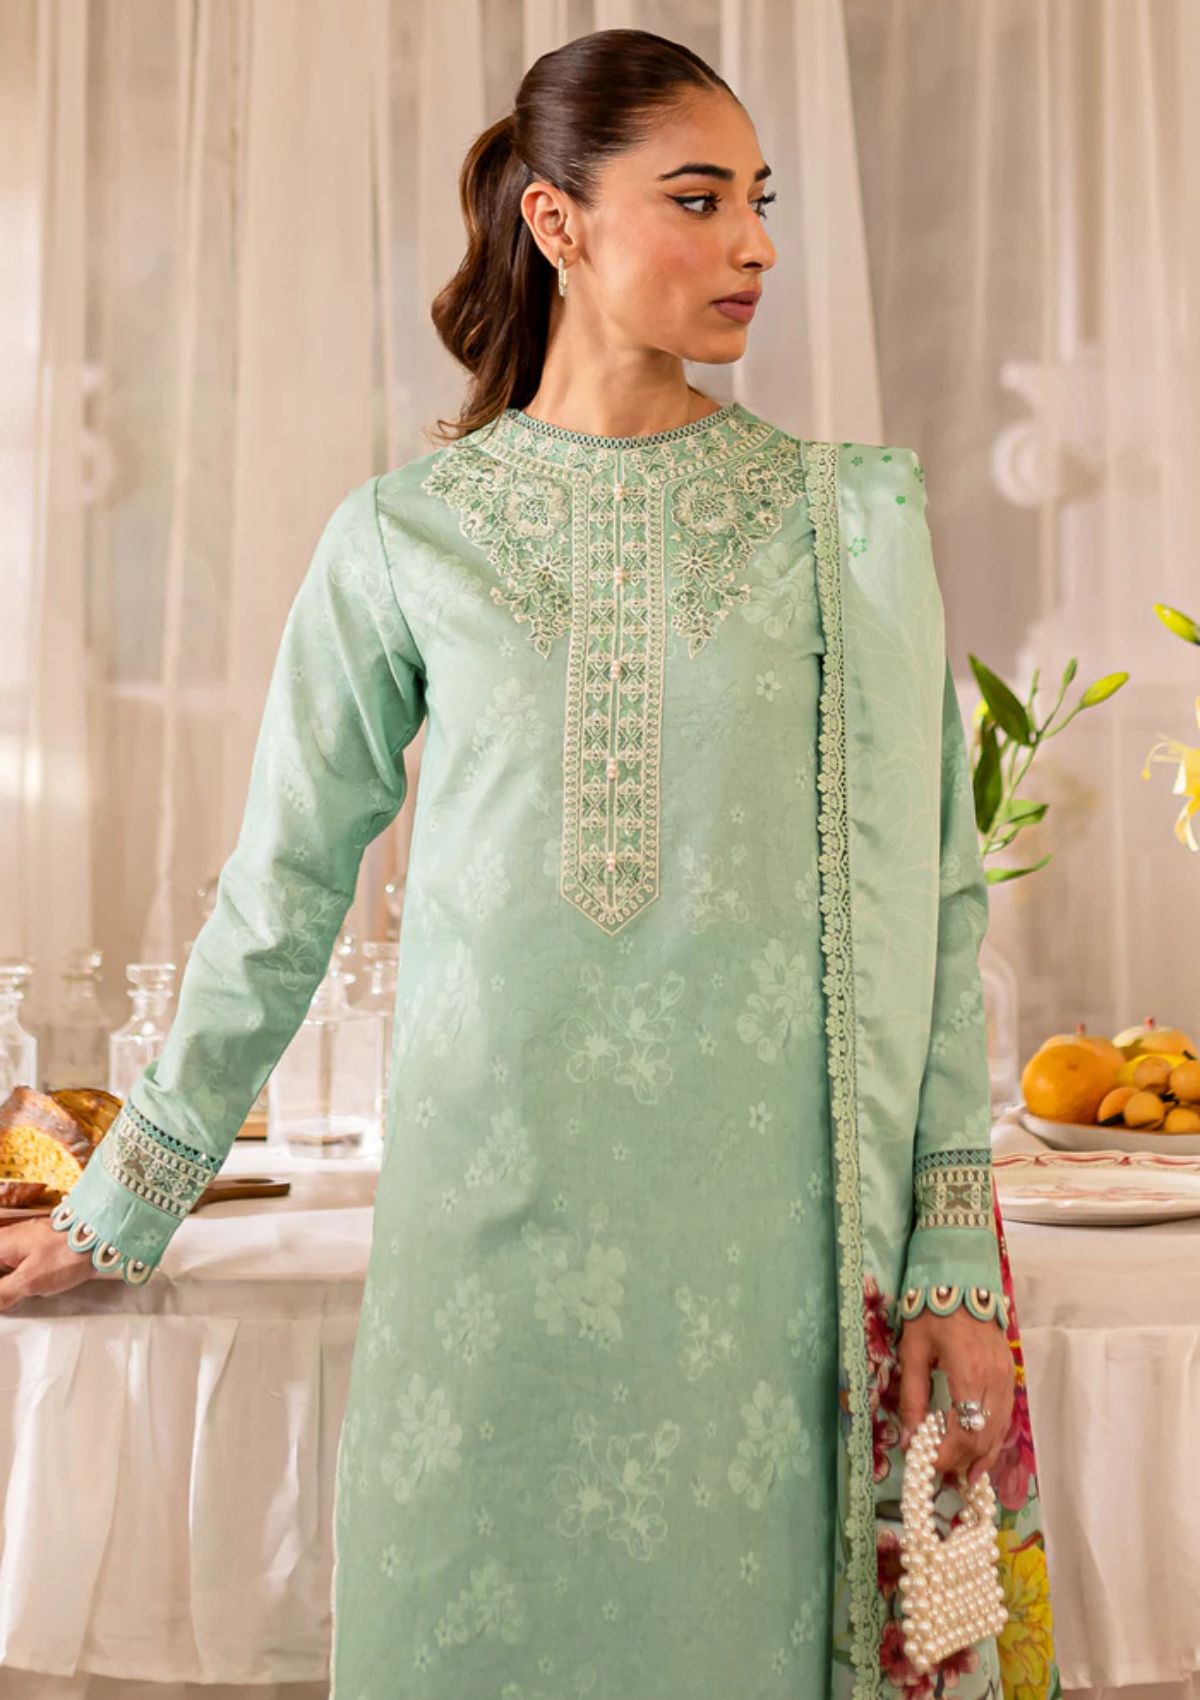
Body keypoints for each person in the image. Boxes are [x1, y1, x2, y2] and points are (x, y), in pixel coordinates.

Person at [0, 27, 1061, 1700]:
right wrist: (129, 1195)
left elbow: (933, 893)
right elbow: (280, 893)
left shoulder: (845, 523)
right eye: (698, 201)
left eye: (760, 202)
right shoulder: (404, 537)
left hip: (771, 1271)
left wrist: (947, 1260)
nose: (754, 244)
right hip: (484, 1251)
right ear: (555, 222)